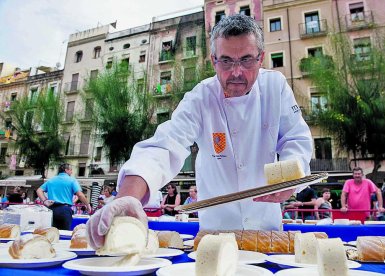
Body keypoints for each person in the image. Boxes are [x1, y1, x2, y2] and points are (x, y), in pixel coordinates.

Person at [86, 14, 312, 249]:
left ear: (260, 58)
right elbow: (165, 145)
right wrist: (128, 197)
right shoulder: (200, 97)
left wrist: (289, 181)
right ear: (213, 60)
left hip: (267, 233)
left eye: (246, 60)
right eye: (226, 61)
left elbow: (295, 140)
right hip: (214, 236)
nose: (236, 72)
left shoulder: (275, 87)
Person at [36, 163, 92, 230]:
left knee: (52, 234)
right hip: (64, 210)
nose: (72, 172)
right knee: (64, 234)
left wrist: (45, 201)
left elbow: (39, 190)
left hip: (50, 210)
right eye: (71, 170)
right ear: (66, 170)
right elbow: (80, 195)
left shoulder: (51, 180)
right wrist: (87, 205)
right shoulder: (72, 180)